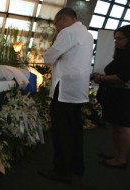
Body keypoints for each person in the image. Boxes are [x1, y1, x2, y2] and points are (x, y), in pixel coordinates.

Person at [38, 8, 94, 183]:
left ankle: (62, 171)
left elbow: (48, 58)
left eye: (56, 26)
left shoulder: (68, 32)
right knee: (75, 130)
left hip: (65, 89)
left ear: (62, 19)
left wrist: (53, 56)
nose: (57, 29)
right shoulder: (87, 34)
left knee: (62, 132)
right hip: (79, 90)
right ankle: (77, 166)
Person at [91, 24, 130, 169]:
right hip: (118, 94)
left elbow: (123, 77)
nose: (116, 41)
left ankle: (121, 159)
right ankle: (116, 151)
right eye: (115, 39)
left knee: (124, 127)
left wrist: (102, 78)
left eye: (120, 38)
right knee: (116, 125)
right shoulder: (123, 54)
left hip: (126, 96)